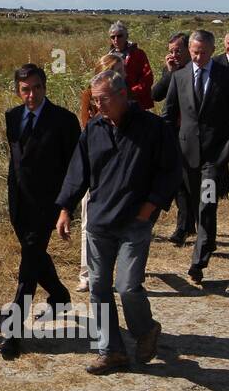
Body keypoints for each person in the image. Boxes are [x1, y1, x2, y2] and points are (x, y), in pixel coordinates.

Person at [55, 70, 178, 375]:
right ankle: (111, 351)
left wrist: (149, 209)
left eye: (103, 100)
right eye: (94, 101)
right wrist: (65, 209)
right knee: (98, 286)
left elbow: (170, 171)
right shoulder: (93, 129)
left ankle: (145, 330)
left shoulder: (153, 128)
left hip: (135, 222)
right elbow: (77, 172)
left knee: (127, 286)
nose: (98, 107)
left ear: (123, 95)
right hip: (99, 221)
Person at [0, 64, 81, 360]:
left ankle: (14, 332)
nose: (31, 95)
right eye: (25, 89)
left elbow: (76, 169)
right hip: (19, 202)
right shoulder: (12, 117)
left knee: (28, 265)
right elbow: (17, 163)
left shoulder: (64, 121)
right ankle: (59, 294)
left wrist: (66, 207)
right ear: (17, 91)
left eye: (36, 88)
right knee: (33, 255)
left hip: (49, 204)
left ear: (45, 87)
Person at [161, 30, 229, 283]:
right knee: (195, 204)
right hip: (186, 154)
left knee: (207, 204)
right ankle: (209, 240)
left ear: (212, 50)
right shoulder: (180, 76)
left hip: (213, 156)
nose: (198, 57)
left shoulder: (226, 76)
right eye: (194, 52)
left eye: (203, 52)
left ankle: (199, 261)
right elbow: (168, 114)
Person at [76, 53, 125, 292]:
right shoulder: (89, 96)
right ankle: (87, 272)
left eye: (122, 70)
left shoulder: (126, 97)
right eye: (116, 70)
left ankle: (116, 269)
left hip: (122, 169)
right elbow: (86, 128)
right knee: (89, 218)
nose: (120, 74)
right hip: (96, 166)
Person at [152, 32, 193, 244]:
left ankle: (190, 223)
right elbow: (156, 95)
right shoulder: (171, 71)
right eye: (171, 51)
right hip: (172, 132)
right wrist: (170, 74)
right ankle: (183, 227)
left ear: (188, 50)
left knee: (189, 181)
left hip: (191, 133)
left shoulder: (194, 71)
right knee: (178, 181)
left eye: (178, 50)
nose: (174, 55)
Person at [107, 21, 154, 110]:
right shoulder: (109, 56)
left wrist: (132, 92)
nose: (116, 39)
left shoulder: (138, 53)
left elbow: (147, 77)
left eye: (119, 36)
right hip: (115, 100)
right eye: (113, 37)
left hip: (136, 101)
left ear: (126, 36)